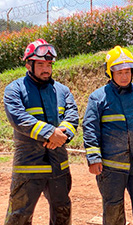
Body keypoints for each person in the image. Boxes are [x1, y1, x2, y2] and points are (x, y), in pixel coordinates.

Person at [82, 46, 133, 225]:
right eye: (119, 72)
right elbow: (90, 128)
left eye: (128, 71)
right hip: (111, 169)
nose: (124, 76)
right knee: (113, 212)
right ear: (110, 73)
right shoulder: (98, 98)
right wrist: (94, 158)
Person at [4, 38, 79, 225]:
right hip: (28, 167)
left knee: (62, 212)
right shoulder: (14, 89)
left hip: (58, 166)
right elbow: (19, 118)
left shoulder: (62, 91)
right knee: (19, 216)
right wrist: (49, 133)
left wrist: (61, 135)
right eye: (41, 64)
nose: (46, 69)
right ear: (29, 65)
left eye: (49, 64)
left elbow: (72, 117)